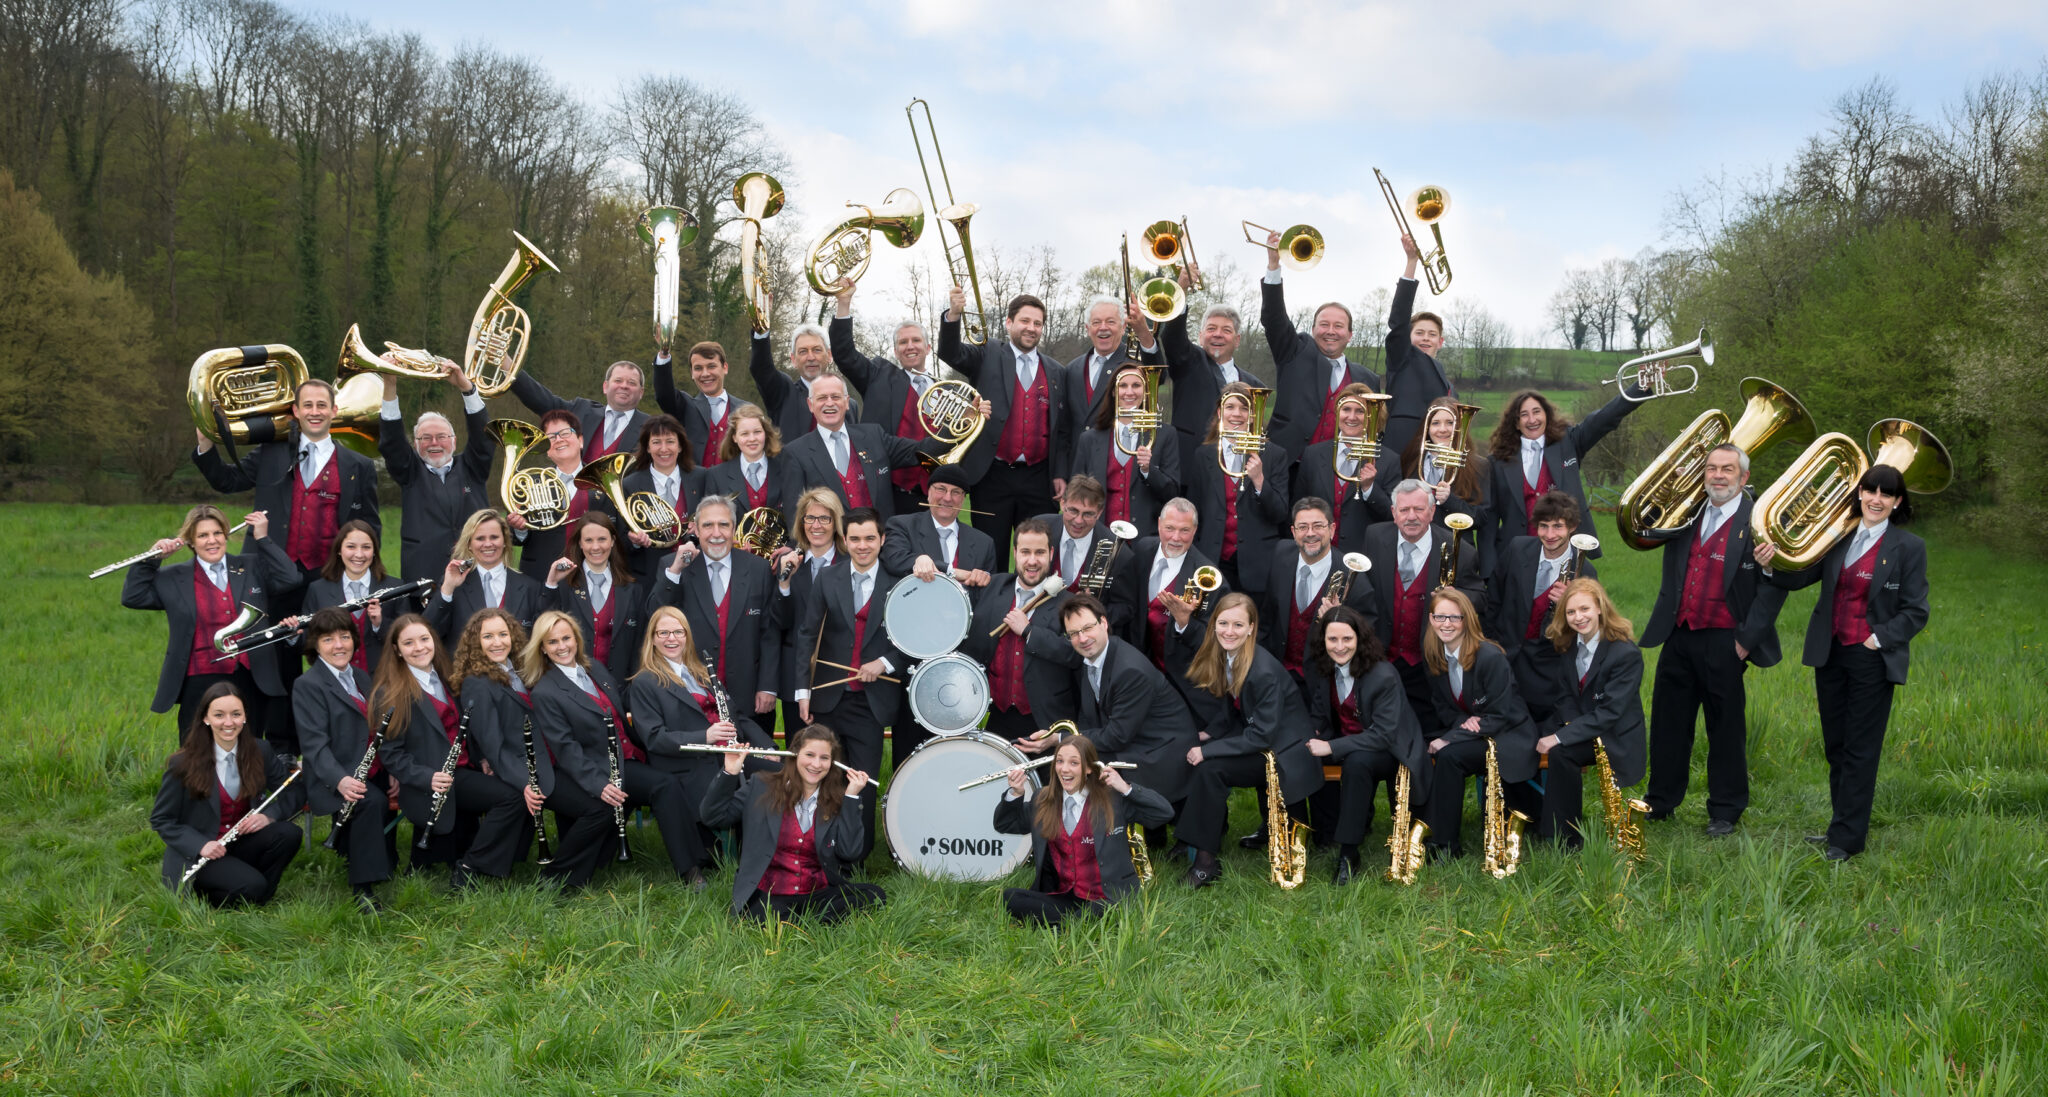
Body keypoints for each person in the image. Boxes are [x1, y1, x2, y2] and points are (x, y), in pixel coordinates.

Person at [1756, 464, 1929, 862]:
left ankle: (1848, 840)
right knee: (1836, 745)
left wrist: (1878, 638)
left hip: (1870, 656)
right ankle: (1840, 827)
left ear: (1897, 501)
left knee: (1860, 749)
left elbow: (1916, 611)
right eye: (1870, 490)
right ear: (1860, 494)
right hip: (1829, 652)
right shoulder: (1838, 536)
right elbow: (1800, 577)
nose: (1876, 498)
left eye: (1886, 493)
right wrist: (1769, 563)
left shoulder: (1909, 548)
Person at [1638, 443, 1788, 837]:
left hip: (1726, 640)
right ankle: (1661, 800)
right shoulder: (1685, 513)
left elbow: (1772, 588)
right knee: (1669, 724)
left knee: (1725, 729)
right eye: (1711, 468)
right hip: (1679, 634)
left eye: (1727, 469)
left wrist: (1744, 642)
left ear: (1744, 478)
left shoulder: (1758, 521)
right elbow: (1644, 529)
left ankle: (1725, 809)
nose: (1718, 475)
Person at [524, 610, 708, 889]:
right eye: (552, 642)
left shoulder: (595, 669)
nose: (562, 646)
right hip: (596, 768)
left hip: (626, 758)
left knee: (667, 782)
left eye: (566, 638)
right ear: (542, 649)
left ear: (576, 639)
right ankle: (690, 868)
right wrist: (599, 785)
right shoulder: (545, 692)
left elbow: (622, 716)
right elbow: (566, 748)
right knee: (661, 786)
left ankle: (693, 864)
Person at [451, 609, 611, 889]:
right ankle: (556, 877)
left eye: (502, 634)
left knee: (600, 805)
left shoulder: (521, 670)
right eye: (487, 636)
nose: (497, 642)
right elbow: (494, 746)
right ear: (476, 642)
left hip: (554, 761)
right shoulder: (477, 683)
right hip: (529, 772)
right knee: (598, 809)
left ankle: (568, 870)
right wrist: (527, 784)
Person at [1172, 593, 1324, 887]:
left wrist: (1210, 750)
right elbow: (1234, 707)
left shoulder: (1262, 670)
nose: (1229, 631)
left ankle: (1205, 863)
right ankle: (1195, 840)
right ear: (1214, 624)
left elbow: (1261, 735)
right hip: (1264, 742)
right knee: (1196, 755)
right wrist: (1210, 734)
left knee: (1210, 768)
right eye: (1223, 623)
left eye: (1238, 625)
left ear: (1252, 628)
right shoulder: (1231, 654)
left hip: (1283, 754)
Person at [371, 613, 525, 889]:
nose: (419, 648)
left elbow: (469, 729)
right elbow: (391, 754)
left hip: (464, 769)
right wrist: (426, 777)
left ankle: (476, 860)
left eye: (424, 639)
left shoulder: (447, 679)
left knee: (515, 791)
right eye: (408, 643)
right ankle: (472, 866)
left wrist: (482, 758)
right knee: (511, 798)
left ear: (434, 641)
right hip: (433, 777)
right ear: (396, 649)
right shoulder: (390, 692)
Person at [122, 505, 296, 742]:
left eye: (217, 533)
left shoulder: (252, 566)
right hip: (198, 677)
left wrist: (263, 539)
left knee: (249, 748)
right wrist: (152, 559)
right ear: (191, 542)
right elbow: (133, 596)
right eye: (202, 535)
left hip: (248, 675)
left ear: (226, 534)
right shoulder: (173, 577)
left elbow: (290, 578)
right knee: (196, 750)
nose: (211, 541)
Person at [789, 508, 907, 855]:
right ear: (845, 540)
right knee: (822, 777)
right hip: (827, 698)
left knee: (863, 781)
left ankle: (857, 855)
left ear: (882, 540)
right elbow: (807, 635)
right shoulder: (827, 578)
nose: (862, 546)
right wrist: (803, 691)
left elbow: (916, 640)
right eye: (854, 539)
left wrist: (885, 663)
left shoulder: (899, 584)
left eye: (870, 538)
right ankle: (818, 850)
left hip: (870, 702)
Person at [192, 378, 381, 590]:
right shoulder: (271, 452)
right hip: (269, 573)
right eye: (307, 405)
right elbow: (227, 481)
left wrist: (366, 577)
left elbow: (370, 527)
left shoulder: (360, 465)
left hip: (330, 578)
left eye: (322, 405)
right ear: (296, 411)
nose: (315, 412)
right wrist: (205, 443)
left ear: (334, 410)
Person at [1024, 594, 1199, 808]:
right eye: (1074, 633)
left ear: (1104, 623)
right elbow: (1088, 718)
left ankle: (1100, 828)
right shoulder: (1092, 656)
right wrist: (1066, 742)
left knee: (1077, 763)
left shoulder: (1130, 671)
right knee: (1070, 759)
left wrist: (1059, 740)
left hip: (1161, 754)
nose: (1082, 638)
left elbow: (1117, 736)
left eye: (1088, 628)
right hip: (1138, 740)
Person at [629, 605, 777, 858]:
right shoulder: (645, 682)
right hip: (691, 762)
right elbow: (654, 738)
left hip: (727, 756)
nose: (672, 639)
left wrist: (767, 748)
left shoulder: (702, 673)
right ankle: (742, 845)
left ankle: (774, 845)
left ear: (687, 636)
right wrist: (706, 736)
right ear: (652, 639)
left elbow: (738, 717)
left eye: (678, 632)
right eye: (663, 633)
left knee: (781, 774)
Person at [700, 724, 883, 924]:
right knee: (761, 911)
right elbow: (713, 816)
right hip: (770, 894)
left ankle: (801, 921)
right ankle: (809, 921)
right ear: (795, 753)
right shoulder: (761, 786)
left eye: (824, 758)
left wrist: (851, 798)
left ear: (832, 763)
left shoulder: (837, 798)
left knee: (874, 894)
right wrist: (729, 772)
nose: (816, 764)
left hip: (816, 893)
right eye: (810, 755)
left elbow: (850, 852)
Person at [937, 287, 1068, 561]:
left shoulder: (1056, 370)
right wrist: (954, 315)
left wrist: (1060, 473)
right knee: (989, 554)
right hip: (992, 475)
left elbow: (1062, 428)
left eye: (1037, 323)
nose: (1031, 328)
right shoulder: (988, 352)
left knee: (1037, 556)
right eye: (1024, 321)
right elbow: (950, 353)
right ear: (1009, 323)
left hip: (1038, 478)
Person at [995, 734, 1175, 927]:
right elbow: (1006, 824)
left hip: (1105, 896)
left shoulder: (1112, 798)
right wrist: (1015, 793)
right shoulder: (1043, 799)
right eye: (1060, 761)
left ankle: (1063, 923)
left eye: (1074, 763)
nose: (1065, 769)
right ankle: (1072, 923)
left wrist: (1125, 787)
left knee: (1098, 910)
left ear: (1089, 767)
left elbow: (1163, 813)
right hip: (1063, 895)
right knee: (1011, 897)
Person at [1303, 606, 1427, 884]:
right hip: (1351, 745)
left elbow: (1383, 735)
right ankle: (1312, 835)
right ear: (1322, 641)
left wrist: (1332, 747)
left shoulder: (1382, 675)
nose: (1340, 646)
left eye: (1347, 639)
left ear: (1360, 639)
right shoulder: (1325, 671)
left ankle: (1348, 854)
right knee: (1302, 755)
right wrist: (1312, 734)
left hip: (1391, 750)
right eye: (1332, 639)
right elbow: (1320, 716)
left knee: (1357, 762)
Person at [150, 682, 304, 906]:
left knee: (289, 833)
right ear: (206, 718)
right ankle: (228, 890)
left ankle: (257, 892)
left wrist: (268, 816)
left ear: (244, 717)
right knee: (252, 886)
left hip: (240, 842)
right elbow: (161, 819)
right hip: (201, 854)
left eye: (236, 714)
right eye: (219, 715)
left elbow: (293, 791)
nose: (229, 723)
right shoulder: (183, 763)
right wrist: (201, 845)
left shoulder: (260, 751)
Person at [1418, 588, 1539, 860]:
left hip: (1509, 735)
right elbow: (1443, 707)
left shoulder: (1490, 656)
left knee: (1448, 754)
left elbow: (1501, 715)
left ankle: (1445, 844)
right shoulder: (1434, 655)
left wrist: (1452, 736)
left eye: (1454, 617)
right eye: (1439, 617)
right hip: (1479, 731)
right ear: (1431, 619)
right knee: (1427, 749)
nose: (1446, 624)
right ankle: (1436, 834)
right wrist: (1464, 723)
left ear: (1467, 620)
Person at [1362, 479, 1485, 734]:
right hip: (1383, 657)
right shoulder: (1374, 537)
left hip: (1430, 661)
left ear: (1431, 512)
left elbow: (1480, 597)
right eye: (1404, 510)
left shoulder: (1458, 548)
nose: (1411, 517)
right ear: (1393, 513)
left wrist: (1458, 596)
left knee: (1428, 734)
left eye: (1419, 509)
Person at [291, 608, 393, 913]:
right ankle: (362, 889)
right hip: (332, 776)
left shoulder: (360, 676)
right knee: (370, 802)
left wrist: (395, 771)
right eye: (328, 639)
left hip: (368, 767)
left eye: (345, 637)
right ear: (315, 646)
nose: (339, 645)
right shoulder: (308, 685)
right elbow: (314, 746)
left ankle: (415, 861)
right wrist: (340, 780)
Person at [652, 496, 786, 725]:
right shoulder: (673, 565)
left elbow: (770, 632)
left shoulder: (758, 568)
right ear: (695, 529)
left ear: (734, 529)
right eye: (708, 525)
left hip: (750, 697)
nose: (716, 533)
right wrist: (675, 570)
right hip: (690, 695)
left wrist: (767, 686)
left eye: (724, 525)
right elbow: (654, 617)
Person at [1534, 579, 1646, 849]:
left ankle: (1566, 838)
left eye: (1584, 609)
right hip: (1584, 726)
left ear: (1599, 608)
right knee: (1524, 739)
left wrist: (1562, 736)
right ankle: (1538, 820)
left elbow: (1610, 712)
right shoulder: (1570, 645)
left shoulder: (1626, 653)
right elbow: (1565, 696)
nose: (1578, 617)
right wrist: (1570, 727)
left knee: (1561, 752)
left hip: (1614, 735)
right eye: (1570, 612)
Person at [1259, 230, 1380, 461]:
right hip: (1290, 464)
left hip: (1342, 471)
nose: (1331, 331)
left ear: (1350, 335)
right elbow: (1274, 320)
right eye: (1324, 324)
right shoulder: (1294, 353)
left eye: (1338, 326)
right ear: (1313, 329)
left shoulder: (1369, 379)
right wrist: (1273, 266)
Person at [829, 281, 945, 515]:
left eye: (916, 341)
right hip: (886, 492)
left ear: (928, 347)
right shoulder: (878, 375)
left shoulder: (944, 391)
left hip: (932, 496)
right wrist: (844, 303)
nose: (909, 346)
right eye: (903, 342)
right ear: (895, 351)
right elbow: (844, 354)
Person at [1485, 382, 1646, 548]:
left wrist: (1641, 387)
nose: (1532, 420)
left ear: (1547, 415)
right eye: (1524, 415)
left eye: (1536, 412)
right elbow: (1489, 518)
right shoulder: (1497, 462)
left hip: (1568, 549)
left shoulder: (1569, 442)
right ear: (1516, 423)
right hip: (1518, 554)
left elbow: (1604, 418)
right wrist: (1488, 570)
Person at [1483, 491, 1596, 725]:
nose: (1550, 534)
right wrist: (1491, 644)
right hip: (1505, 658)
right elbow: (1493, 598)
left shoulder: (1585, 571)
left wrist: (1571, 603)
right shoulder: (1517, 549)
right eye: (1543, 526)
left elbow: (1589, 630)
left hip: (1548, 671)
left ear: (1573, 527)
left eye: (1558, 527)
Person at [960, 517, 1075, 740]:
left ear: (1051, 554)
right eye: (1025, 552)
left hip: (1044, 719)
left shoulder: (1068, 603)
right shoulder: (992, 587)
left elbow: (1074, 654)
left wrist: (1030, 632)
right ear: (1015, 553)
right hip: (996, 714)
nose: (1032, 561)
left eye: (1039, 553)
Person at [377, 365, 493, 583]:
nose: (434, 443)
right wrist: (390, 384)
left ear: (454, 440)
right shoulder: (410, 473)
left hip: (476, 570)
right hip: (424, 574)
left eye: (441, 436)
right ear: (415, 443)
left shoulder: (473, 467)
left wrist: (466, 387)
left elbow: (483, 436)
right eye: (425, 438)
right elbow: (392, 441)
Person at [1157, 262, 1268, 482]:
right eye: (1211, 329)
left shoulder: (1256, 385)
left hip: (1237, 476)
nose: (1218, 335)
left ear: (1237, 340)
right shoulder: (1188, 361)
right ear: (1200, 337)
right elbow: (1172, 338)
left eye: (1226, 330)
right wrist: (1182, 289)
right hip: (1189, 471)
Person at [778, 373, 942, 522]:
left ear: (847, 402)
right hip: (833, 551)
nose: (829, 403)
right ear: (810, 404)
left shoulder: (874, 435)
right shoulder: (795, 453)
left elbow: (921, 450)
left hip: (882, 547)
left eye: (836, 396)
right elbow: (795, 513)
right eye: (822, 398)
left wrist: (965, 422)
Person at [1258, 498, 1377, 694]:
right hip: (1276, 675)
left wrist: (1338, 621)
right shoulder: (1281, 554)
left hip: (1323, 684)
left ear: (1332, 529)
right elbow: (1267, 617)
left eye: (1318, 526)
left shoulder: (1355, 580)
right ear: (1293, 532)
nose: (1310, 533)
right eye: (1303, 527)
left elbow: (1366, 642)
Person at [1186, 382, 1291, 599]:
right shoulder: (1202, 455)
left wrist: (1260, 481)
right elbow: (1194, 511)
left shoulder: (1274, 455)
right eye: (1231, 407)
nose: (1237, 414)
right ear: (1219, 412)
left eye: (1245, 408)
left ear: (1253, 415)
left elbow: (1280, 513)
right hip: (1213, 561)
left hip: (1258, 566)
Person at [1113, 498, 1228, 678]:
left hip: (1182, 677)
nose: (1175, 537)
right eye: (1170, 528)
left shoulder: (1209, 579)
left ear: (1195, 530)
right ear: (1159, 524)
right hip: (1136, 665)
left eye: (1184, 530)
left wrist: (1185, 622)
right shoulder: (1143, 549)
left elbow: (1217, 640)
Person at [1378, 395, 1492, 576]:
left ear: (1459, 427)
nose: (1443, 429)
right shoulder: (1410, 461)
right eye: (1436, 423)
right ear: (1427, 428)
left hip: (1456, 553)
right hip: (1414, 548)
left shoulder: (1479, 466)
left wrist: (1450, 501)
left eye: (1450, 423)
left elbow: (1482, 518)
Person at [1071, 361, 1182, 537]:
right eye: (1123, 385)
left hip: (1145, 537)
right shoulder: (1089, 439)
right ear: (1114, 392)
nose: (1129, 392)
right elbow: (1075, 492)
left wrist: (1148, 471)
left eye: (1136, 385)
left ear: (1145, 392)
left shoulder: (1165, 435)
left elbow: (1172, 494)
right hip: (1099, 533)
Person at [1061, 297, 1163, 487]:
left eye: (1110, 321)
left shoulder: (1135, 364)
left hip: (1120, 465)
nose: (1103, 328)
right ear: (1087, 328)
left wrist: (1144, 333)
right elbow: (1064, 426)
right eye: (1096, 322)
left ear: (1124, 327)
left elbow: (1159, 376)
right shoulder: (1072, 368)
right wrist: (1060, 472)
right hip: (1079, 466)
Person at [774, 488, 846, 739]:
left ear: (835, 522)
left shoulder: (849, 564)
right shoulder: (790, 566)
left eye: (824, 518)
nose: (816, 525)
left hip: (836, 674)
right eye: (809, 518)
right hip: (796, 673)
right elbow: (780, 623)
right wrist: (784, 584)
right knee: (798, 750)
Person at [1380, 231, 1459, 459]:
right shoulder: (1402, 358)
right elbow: (1399, 320)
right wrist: (1412, 262)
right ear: (1409, 337)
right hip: (1401, 453)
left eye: (1432, 334)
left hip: (1436, 458)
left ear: (1440, 341)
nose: (1426, 338)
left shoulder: (1449, 385)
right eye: (1419, 333)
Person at [543, 513, 647, 682]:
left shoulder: (633, 590)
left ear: (612, 541)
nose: (596, 547)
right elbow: (543, 630)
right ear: (580, 543)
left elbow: (639, 646)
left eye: (602, 539)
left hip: (619, 687)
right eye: (589, 540)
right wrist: (551, 583)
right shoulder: (563, 586)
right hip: (573, 688)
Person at [1294, 383, 1394, 553]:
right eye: (1346, 409)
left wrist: (1369, 488)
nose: (1351, 417)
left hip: (1363, 555)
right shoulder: (1313, 454)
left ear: (1372, 416)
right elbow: (1298, 506)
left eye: (1360, 411)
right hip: (1316, 551)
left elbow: (1392, 516)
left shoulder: (1389, 459)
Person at [426, 509, 547, 644]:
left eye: (494, 537)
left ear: (505, 541)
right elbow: (428, 632)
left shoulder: (530, 587)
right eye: (480, 538)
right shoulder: (453, 584)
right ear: (469, 544)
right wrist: (447, 589)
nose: (488, 544)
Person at [508, 409, 596, 582]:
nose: (559, 440)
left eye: (565, 433)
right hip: (540, 576)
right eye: (551, 437)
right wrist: (520, 529)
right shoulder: (528, 484)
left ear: (580, 441)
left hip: (590, 577)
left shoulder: (601, 482)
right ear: (547, 450)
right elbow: (515, 539)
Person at [508, 358, 650, 463]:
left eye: (631, 383)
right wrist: (507, 366)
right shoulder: (581, 409)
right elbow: (540, 399)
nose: (624, 386)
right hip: (571, 498)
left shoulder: (651, 428)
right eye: (618, 381)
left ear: (641, 392)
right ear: (605, 387)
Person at [299, 519, 396, 673]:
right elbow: (308, 640)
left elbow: (405, 638)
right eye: (351, 547)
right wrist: (293, 634)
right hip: (336, 683)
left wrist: (380, 624)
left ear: (374, 551)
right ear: (339, 550)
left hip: (385, 680)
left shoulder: (394, 587)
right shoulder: (318, 589)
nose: (359, 554)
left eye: (366, 547)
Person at [615, 414, 702, 584]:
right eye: (656, 442)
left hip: (696, 571)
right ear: (647, 447)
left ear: (680, 446)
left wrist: (701, 527)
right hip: (650, 576)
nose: (664, 449)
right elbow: (620, 539)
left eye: (670, 441)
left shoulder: (702, 477)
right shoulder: (629, 485)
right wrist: (635, 542)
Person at [880, 464, 998, 586]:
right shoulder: (902, 526)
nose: (947, 498)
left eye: (955, 492)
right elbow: (892, 559)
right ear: (928, 493)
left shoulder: (984, 543)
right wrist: (948, 570)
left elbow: (990, 595)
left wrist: (985, 578)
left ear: (963, 499)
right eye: (941, 489)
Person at [748, 310, 855, 442]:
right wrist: (761, 323)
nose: (810, 357)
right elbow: (761, 368)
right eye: (803, 351)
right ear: (793, 359)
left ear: (829, 355)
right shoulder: (783, 394)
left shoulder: (849, 405)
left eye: (817, 350)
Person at [653, 340, 736, 469]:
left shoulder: (744, 409)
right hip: (693, 486)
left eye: (711, 366)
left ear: (725, 368)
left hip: (733, 487)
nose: (705, 374)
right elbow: (664, 394)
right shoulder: (686, 406)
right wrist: (664, 354)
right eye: (698, 368)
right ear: (692, 373)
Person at [699, 403, 786, 522]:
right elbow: (711, 520)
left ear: (765, 433)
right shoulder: (716, 476)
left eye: (757, 432)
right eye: (744, 433)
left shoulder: (785, 468)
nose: (752, 439)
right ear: (734, 437)